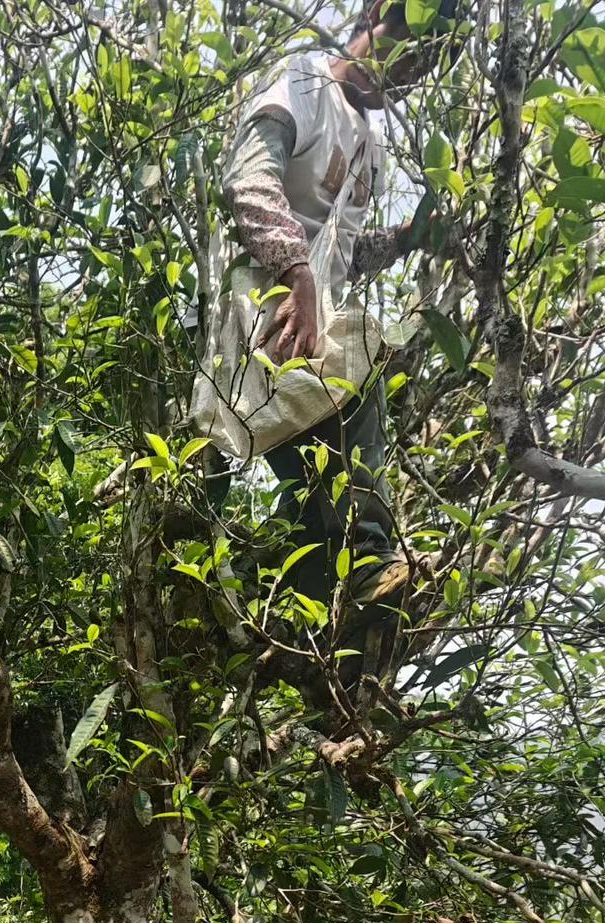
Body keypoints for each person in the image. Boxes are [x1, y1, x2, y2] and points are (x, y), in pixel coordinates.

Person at [203, 1, 461, 604]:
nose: (407, 68)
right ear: (374, 15)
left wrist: (401, 241)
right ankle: (370, 562)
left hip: (299, 330)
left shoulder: (372, 149)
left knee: (316, 508)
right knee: (360, 374)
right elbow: (249, 180)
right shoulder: (302, 83)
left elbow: (338, 260)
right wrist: (297, 275)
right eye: (405, 43)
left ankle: (316, 621)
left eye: (423, 63)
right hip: (249, 311)